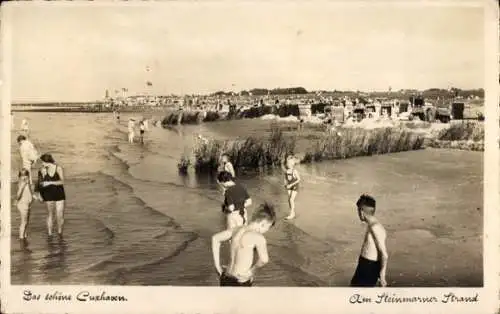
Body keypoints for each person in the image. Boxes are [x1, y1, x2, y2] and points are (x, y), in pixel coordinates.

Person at [212, 203, 276, 286]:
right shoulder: (258, 237)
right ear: (263, 223)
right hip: (240, 280)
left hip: (226, 276)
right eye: (268, 227)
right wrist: (252, 271)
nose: (266, 231)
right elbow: (264, 260)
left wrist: (217, 266)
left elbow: (215, 238)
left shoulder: (236, 229)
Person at [350, 194, 389, 287]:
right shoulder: (372, 225)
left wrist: (382, 275)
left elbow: (384, 255)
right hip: (365, 265)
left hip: (369, 267)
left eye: (358, 210)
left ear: (361, 211)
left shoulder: (376, 227)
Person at [35, 154, 66, 237]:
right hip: (48, 194)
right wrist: (39, 195)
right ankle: (50, 234)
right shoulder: (41, 170)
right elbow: (38, 184)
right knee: (50, 214)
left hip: (59, 194)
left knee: (60, 214)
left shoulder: (58, 168)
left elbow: (63, 182)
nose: (41, 164)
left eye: (42, 162)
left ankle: (59, 233)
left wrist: (50, 182)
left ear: (46, 161)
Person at [15, 169, 34, 240]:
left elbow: (29, 192)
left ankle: (24, 236)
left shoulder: (26, 183)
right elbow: (19, 193)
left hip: (27, 204)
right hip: (23, 205)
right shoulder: (22, 183)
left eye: (26, 175)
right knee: (24, 222)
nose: (24, 177)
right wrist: (16, 200)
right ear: (19, 176)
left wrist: (34, 196)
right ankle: (21, 238)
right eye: (22, 175)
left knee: (26, 222)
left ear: (28, 176)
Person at [283, 155, 300, 220]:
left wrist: (291, 184)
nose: (288, 164)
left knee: (291, 199)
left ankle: (291, 213)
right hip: (289, 186)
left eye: (290, 163)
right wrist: (285, 184)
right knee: (289, 200)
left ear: (293, 164)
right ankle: (293, 213)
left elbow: (299, 179)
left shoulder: (294, 171)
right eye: (287, 163)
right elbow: (285, 178)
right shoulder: (286, 171)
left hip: (295, 186)